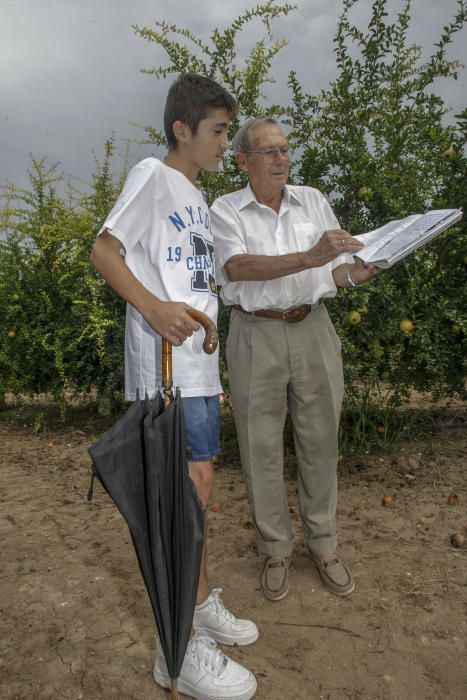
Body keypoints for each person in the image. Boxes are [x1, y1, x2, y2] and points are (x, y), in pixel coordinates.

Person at [90, 74, 258, 700]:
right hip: (163, 371)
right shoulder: (152, 178)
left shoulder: (193, 197)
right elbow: (105, 252)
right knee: (180, 499)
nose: (224, 142)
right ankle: (177, 648)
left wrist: (204, 323)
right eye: (218, 131)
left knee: (199, 492)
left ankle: (197, 607)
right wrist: (158, 310)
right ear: (182, 130)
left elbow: (187, 281)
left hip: (195, 366)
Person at [210, 117, 379, 603]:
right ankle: (276, 550)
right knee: (259, 446)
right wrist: (309, 257)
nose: (281, 158)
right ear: (243, 161)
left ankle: (323, 546)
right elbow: (236, 266)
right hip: (254, 332)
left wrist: (360, 271)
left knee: (321, 439)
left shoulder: (314, 200)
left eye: (284, 149)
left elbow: (335, 272)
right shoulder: (225, 210)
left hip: (313, 327)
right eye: (268, 151)